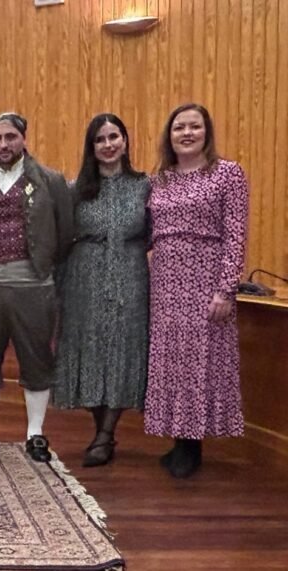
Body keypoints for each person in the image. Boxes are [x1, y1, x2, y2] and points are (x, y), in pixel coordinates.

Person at [0, 112, 74, 463]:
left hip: (34, 286)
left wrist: (38, 268)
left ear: (23, 139)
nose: (4, 144)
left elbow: (65, 233)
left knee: (37, 359)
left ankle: (35, 434)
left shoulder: (51, 181)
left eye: (10, 137)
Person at [146, 103, 248, 479]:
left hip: (205, 280)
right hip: (165, 282)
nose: (187, 133)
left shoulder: (228, 173)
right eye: (179, 128)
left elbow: (236, 235)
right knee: (171, 361)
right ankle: (178, 439)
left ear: (207, 133)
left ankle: (192, 445)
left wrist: (226, 289)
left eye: (194, 127)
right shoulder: (159, 180)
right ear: (169, 136)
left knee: (201, 360)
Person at [53, 113, 150, 467]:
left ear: (125, 141)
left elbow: (153, 232)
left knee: (123, 349)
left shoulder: (145, 185)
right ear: (91, 147)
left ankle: (106, 435)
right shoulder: (75, 189)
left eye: (114, 137)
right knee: (90, 350)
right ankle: (101, 432)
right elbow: (61, 236)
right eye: (100, 139)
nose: (108, 144)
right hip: (84, 276)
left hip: (130, 274)